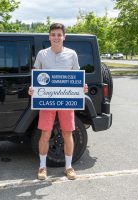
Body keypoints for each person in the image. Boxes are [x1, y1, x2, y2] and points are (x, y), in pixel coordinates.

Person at [28, 23, 88, 180]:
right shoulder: (42, 54)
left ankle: (68, 167)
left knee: (68, 134)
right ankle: (42, 167)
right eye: (53, 34)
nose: (56, 37)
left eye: (59, 34)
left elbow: (77, 76)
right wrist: (32, 87)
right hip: (47, 101)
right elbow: (36, 74)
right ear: (49, 36)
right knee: (45, 134)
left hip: (66, 100)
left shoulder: (72, 54)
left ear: (64, 37)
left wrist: (83, 86)